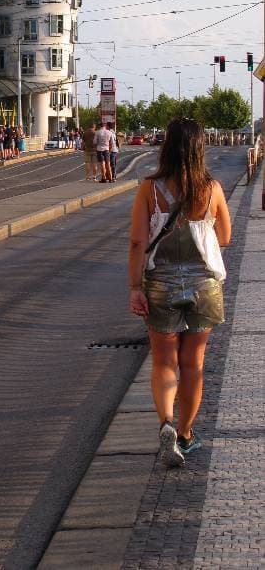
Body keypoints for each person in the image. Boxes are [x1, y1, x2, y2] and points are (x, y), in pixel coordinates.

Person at [128, 118, 231, 468]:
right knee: (194, 364)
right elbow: (226, 237)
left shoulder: (149, 188)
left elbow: (138, 242)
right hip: (204, 285)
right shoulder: (212, 188)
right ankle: (186, 435)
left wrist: (134, 287)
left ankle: (166, 423)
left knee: (164, 362)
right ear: (200, 147)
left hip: (161, 285)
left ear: (167, 146)